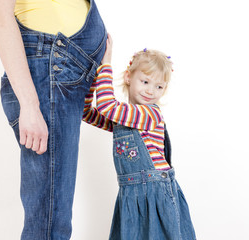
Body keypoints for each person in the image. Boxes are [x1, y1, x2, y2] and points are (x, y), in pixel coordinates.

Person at [0, 0, 107, 239]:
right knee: (50, 221)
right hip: (47, 75)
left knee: (54, 216)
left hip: (59, 74)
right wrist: (30, 105)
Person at [82, 34, 197, 240]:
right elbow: (86, 112)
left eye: (159, 86)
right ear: (128, 77)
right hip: (131, 196)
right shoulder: (124, 118)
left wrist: (105, 64)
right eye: (145, 81)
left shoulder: (149, 114)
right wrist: (94, 75)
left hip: (155, 193)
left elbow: (107, 106)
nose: (151, 91)